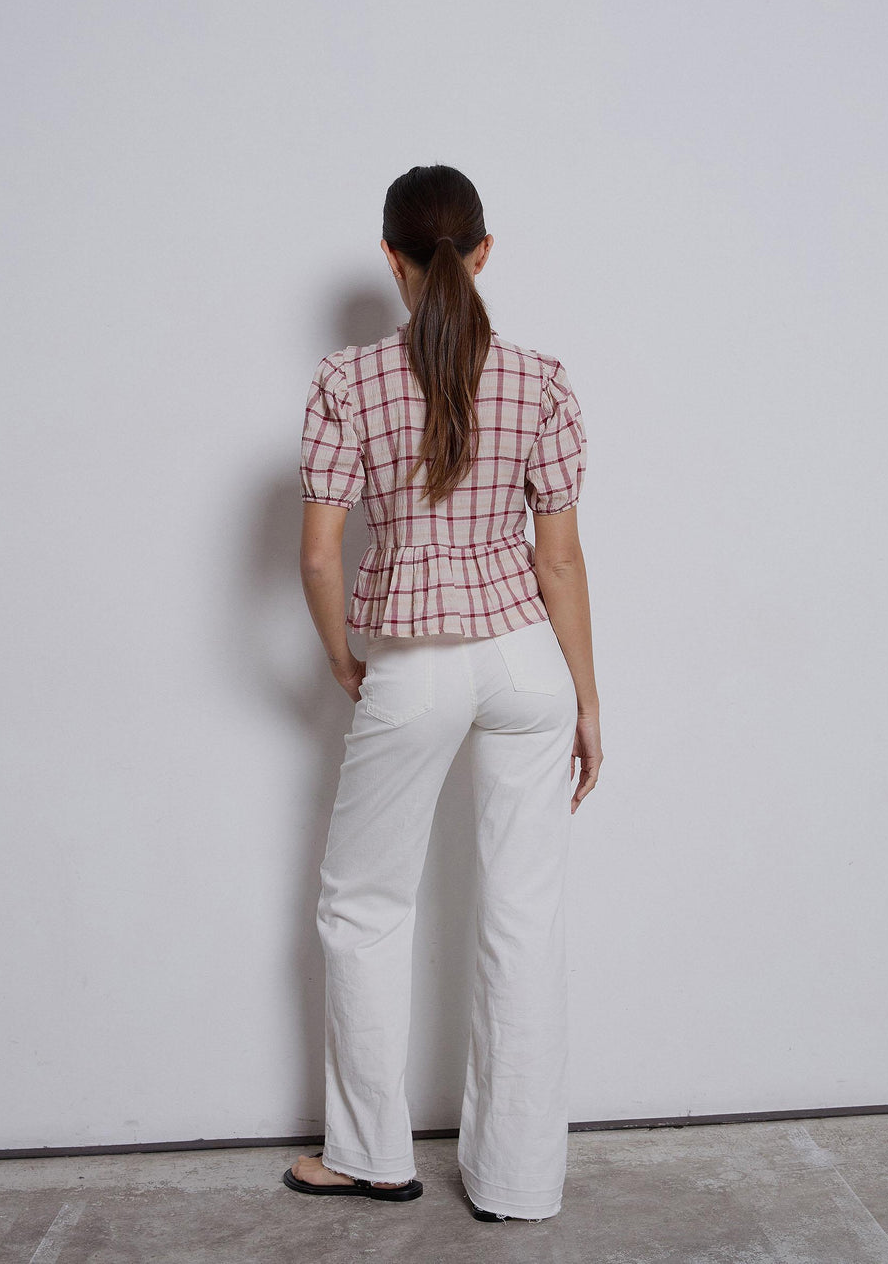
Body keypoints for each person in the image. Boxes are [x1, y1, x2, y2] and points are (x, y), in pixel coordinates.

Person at [283, 164, 603, 1223]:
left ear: (391, 259)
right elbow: (559, 560)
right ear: (482, 253)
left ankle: (371, 1155)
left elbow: (319, 556)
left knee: (364, 902)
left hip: (414, 663)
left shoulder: (346, 381)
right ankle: (517, 1182)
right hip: (525, 660)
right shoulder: (540, 379)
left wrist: (342, 658)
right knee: (524, 913)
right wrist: (585, 698)